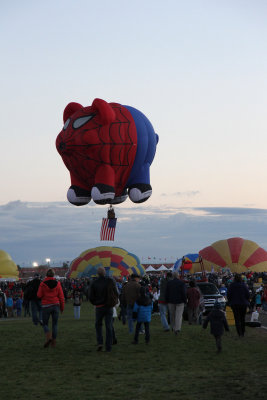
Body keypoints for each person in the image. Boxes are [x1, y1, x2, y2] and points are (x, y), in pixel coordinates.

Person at [89, 267, 118, 352]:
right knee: (109, 326)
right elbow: (116, 292)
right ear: (105, 273)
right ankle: (108, 346)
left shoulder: (94, 283)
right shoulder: (110, 281)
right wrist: (114, 301)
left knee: (98, 325)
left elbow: (91, 296)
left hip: (99, 307)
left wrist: (95, 303)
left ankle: (100, 342)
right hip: (109, 306)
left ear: (97, 274)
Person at [37, 269, 65, 348]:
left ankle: (48, 337)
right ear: (53, 275)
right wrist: (62, 307)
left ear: (46, 275)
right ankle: (53, 342)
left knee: (45, 324)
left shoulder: (42, 284)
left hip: (46, 305)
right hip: (55, 305)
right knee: (55, 324)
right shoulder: (58, 283)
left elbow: (39, 295)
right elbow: (61, 296)